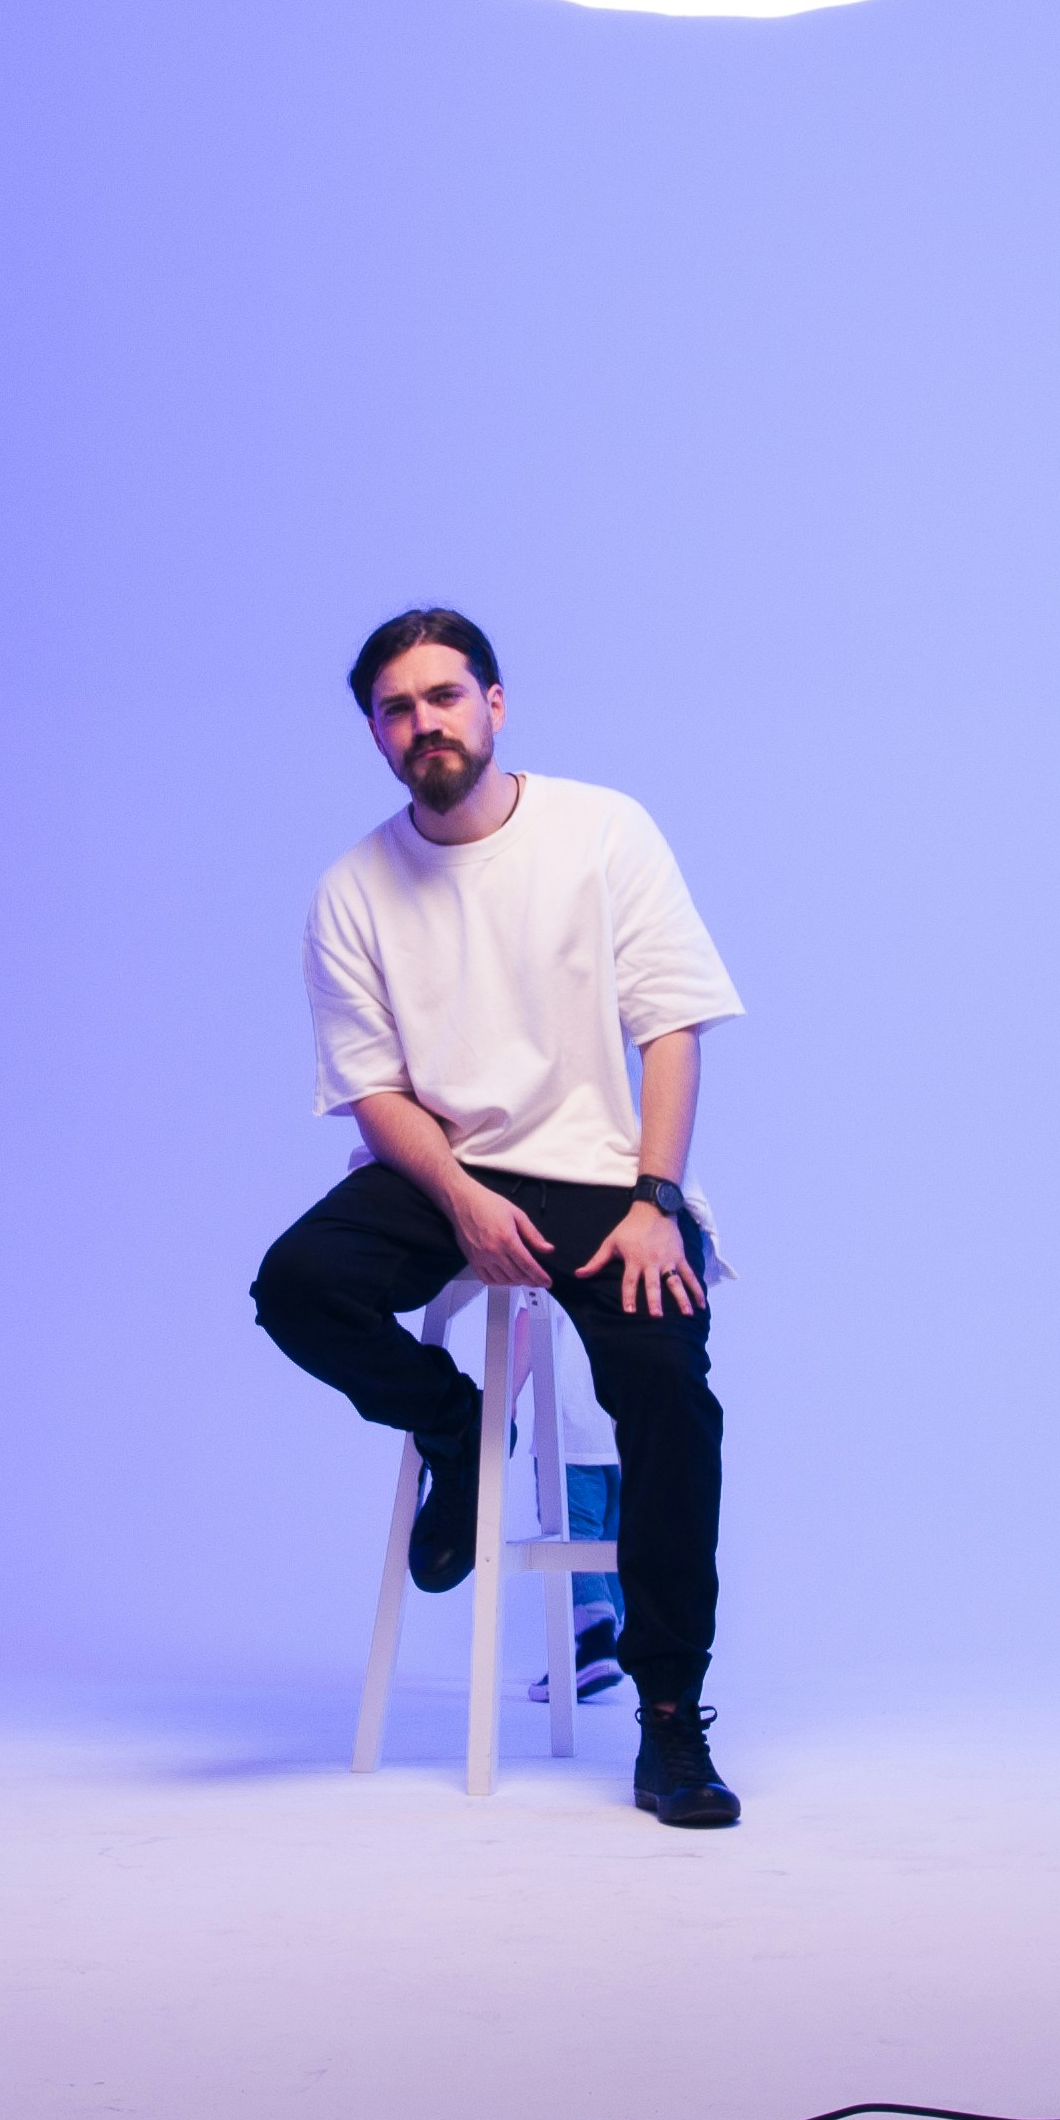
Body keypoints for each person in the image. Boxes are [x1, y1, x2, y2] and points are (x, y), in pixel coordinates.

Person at [249, 607, 749, 1829]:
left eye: (443, 697)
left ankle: (670, 1720)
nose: (423, 723)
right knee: (298, 1282)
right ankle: (458, 1425)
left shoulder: (601, 829)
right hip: (447, 1165)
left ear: (495, 703)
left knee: (669, 1401)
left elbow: (669, 1026)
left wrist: (655, 1201)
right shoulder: (351, 889)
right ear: (374, 733)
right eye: (396, 709)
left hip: (605, 1176)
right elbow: (372, 1091)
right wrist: (462, 1199)